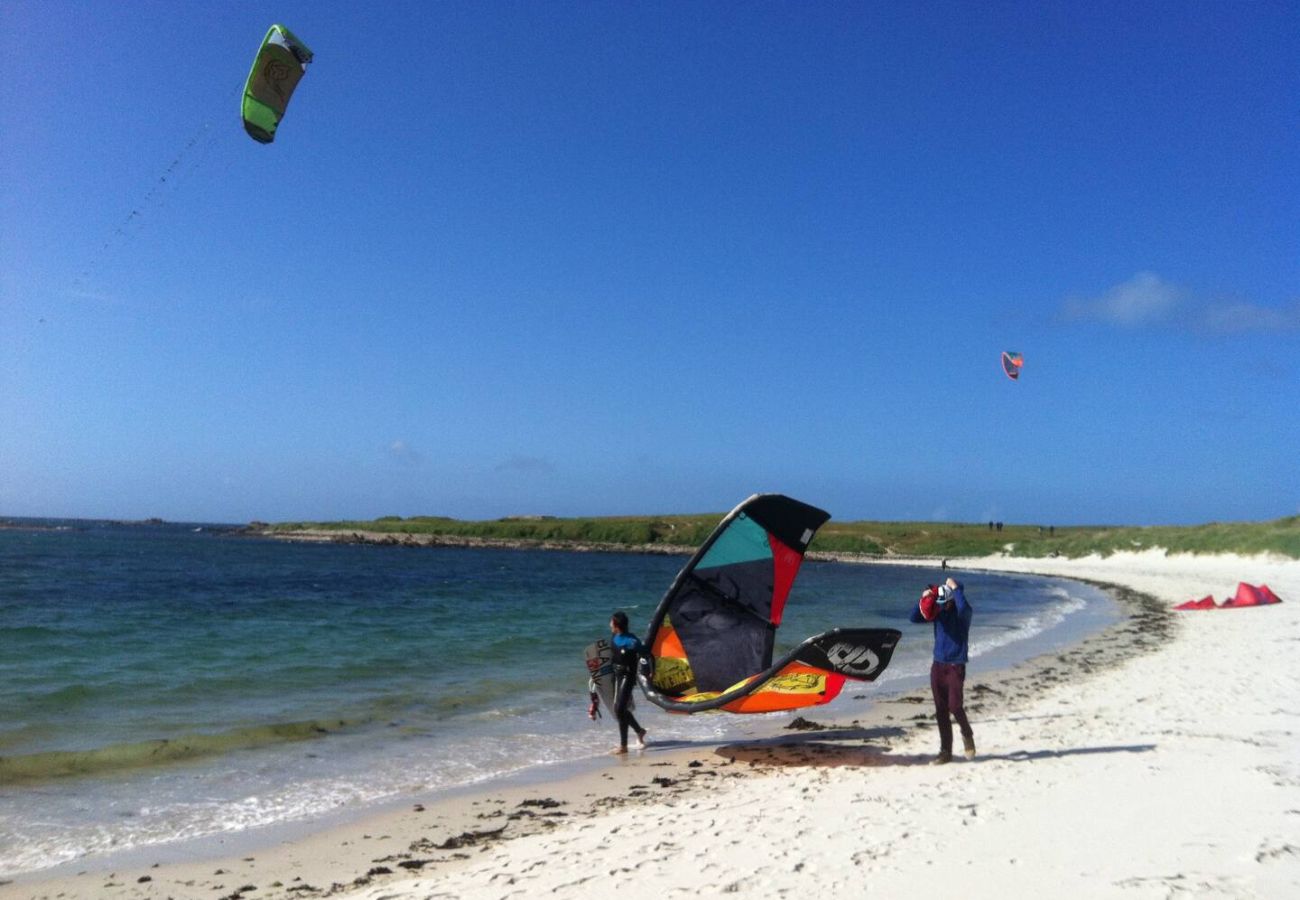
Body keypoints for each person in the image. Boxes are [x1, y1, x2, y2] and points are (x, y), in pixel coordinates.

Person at [909, 577, 975, 765]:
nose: (943, 605)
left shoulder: (963, 615)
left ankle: (967, 733)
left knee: (955, 706)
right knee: (941, 710)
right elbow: (914, 617)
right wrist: (924, 598)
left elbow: (964, 607)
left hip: (955, 666)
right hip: (938, 665)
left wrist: (955, 588)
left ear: (953, 598)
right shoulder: (938, 612)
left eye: (945, 601)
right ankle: (945, 752)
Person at [609, 610, 648, 755]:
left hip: (628, 676)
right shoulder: (614, 637)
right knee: (620, 709)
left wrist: (648, 671)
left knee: (619, 709)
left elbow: (645, 653)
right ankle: (639, 731)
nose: (610, 624)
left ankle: (623, 746)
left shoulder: (632, 641)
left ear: (616, 625)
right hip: (616, 675)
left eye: (611, 622)